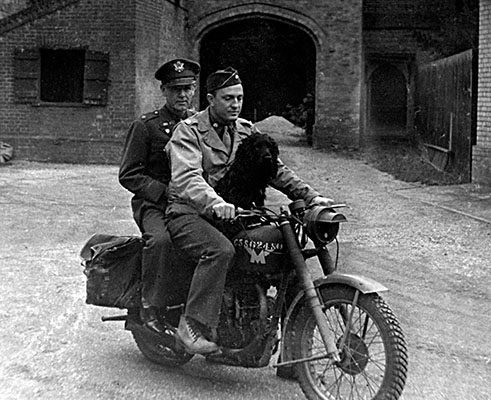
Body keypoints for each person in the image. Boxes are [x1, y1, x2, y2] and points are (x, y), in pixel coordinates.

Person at [164, 67, 335, 355]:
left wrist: (313, 197)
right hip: (189, 212)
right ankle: (190, 325)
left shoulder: (245, 129)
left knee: (286, 262)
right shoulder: (189, 131)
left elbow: (275, 170)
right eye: (228, 98)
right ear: (210, 99)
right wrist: (216, 202)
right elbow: (187, 177)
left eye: (239, 98)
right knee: (220, 251)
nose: (235, 104)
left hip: (232, 213)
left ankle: (295, 352)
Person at [118, 58, 200, 334]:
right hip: (155, 204)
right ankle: (149, 306)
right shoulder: (146, 126)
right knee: (162, 241)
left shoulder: (201, 124)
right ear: (164, 90)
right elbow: (128, 174)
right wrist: (163, 192)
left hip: (194, 202)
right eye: (176, 89)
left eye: (188, 88)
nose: (183, 95)